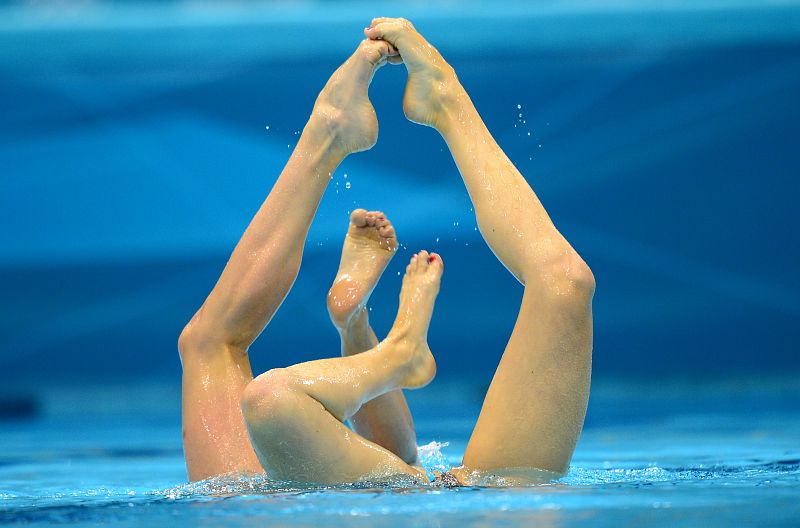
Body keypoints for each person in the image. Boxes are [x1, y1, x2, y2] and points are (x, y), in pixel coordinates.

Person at [179, 18, 595, 486]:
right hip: (471, 493)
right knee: (563, 283)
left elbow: (376, 452)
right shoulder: (493, 502)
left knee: (211, 348)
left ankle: (328, 134)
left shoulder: (238, 502)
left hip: (280, 498)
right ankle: (444, 102)